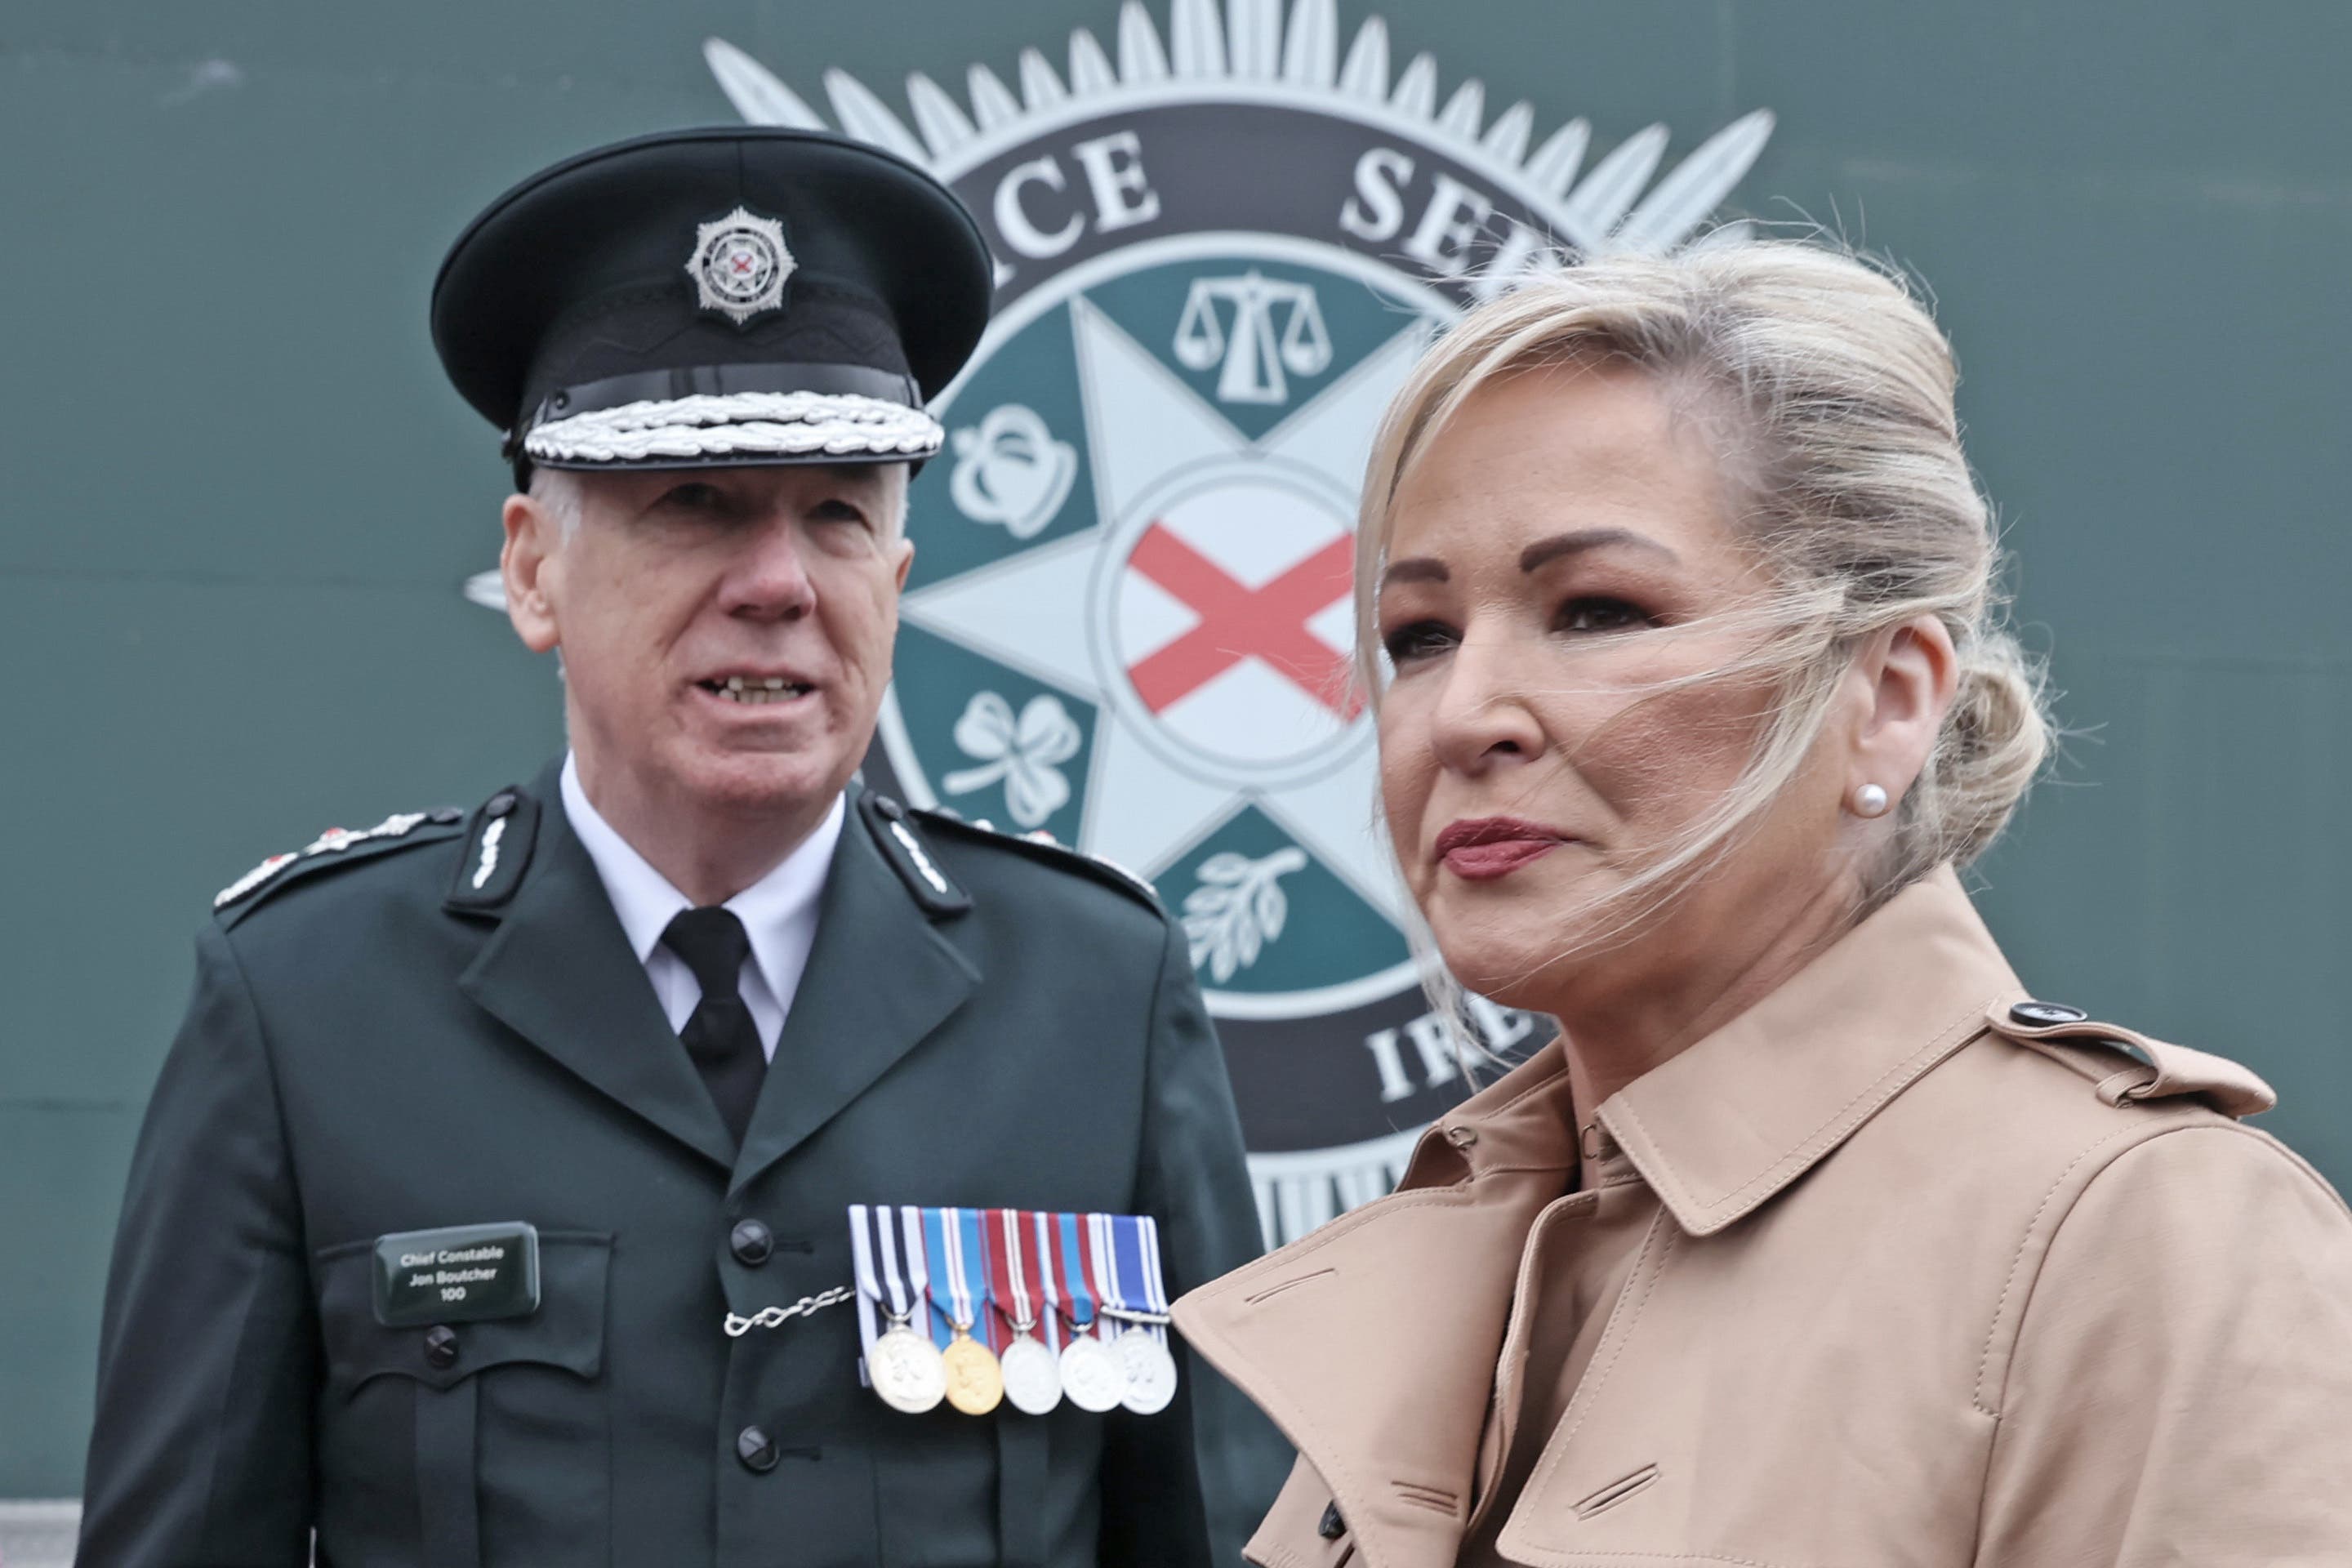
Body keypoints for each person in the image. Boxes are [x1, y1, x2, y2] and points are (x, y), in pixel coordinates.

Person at [80, 127, 1288, 1568]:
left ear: (895, 582)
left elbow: (1223, 1539)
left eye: (838, 513)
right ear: (533, 569)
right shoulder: (307, 1002)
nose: (777, 583)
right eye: (694, 504)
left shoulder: (1097, 994)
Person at [1172, 239, 2352, 1565]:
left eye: (1598, 611)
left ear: (1890, 695)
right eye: (1418, 638)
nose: (1463, 715)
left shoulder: (2148, 1245)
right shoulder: (1476, 1245)